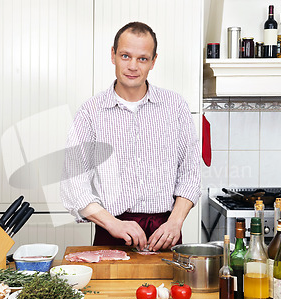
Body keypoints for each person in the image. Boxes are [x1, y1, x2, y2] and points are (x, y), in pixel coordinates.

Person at [61, 22, 200, 251]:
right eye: (125, 56)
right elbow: (73, 183)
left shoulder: (175, 106)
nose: (133, 66)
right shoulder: (90, 112)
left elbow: (191, 172)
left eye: (142, 59)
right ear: (113, 55)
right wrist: (112, 223)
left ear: (154, 61)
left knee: (171, 289)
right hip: (112, 232)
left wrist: (175, 222)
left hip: (165, 233)